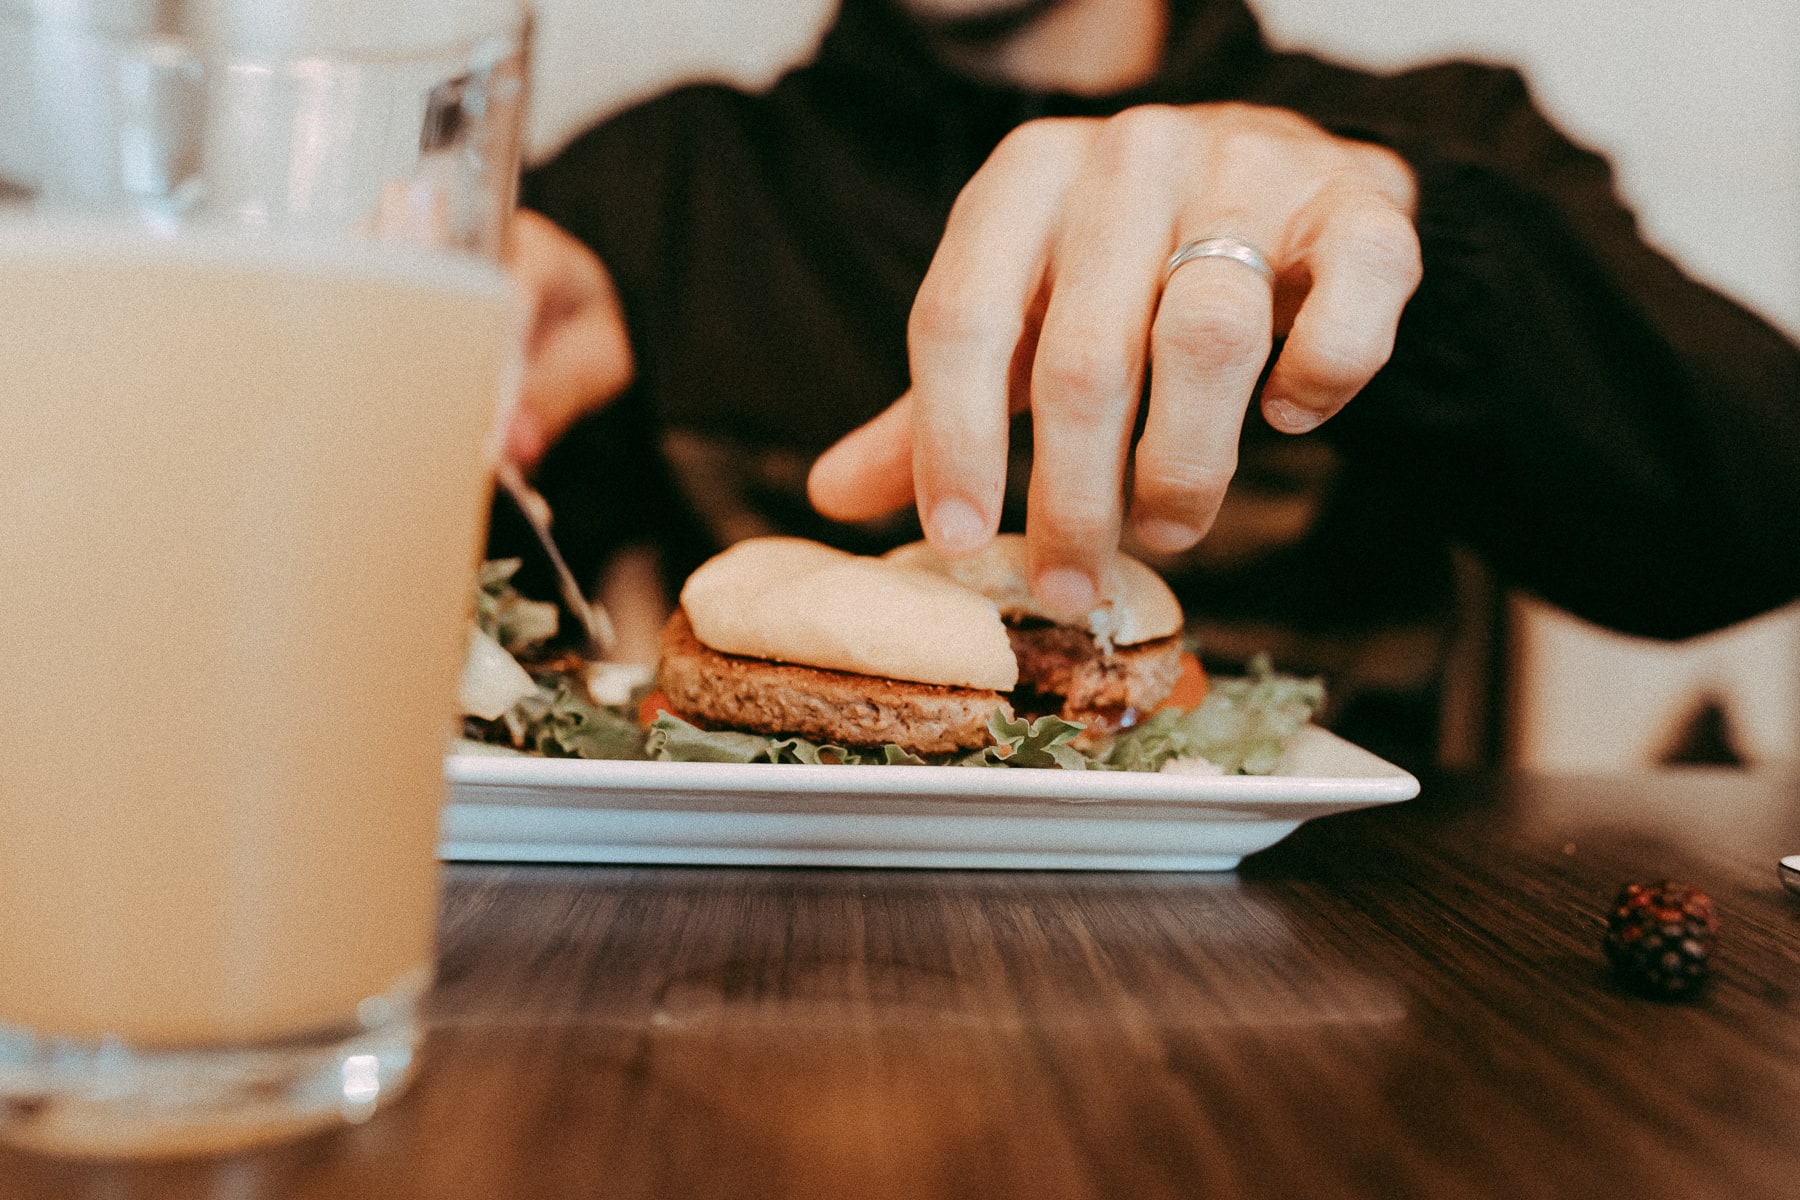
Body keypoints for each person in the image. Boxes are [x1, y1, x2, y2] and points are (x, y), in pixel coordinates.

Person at [490, 0, 1800, 768]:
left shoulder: (1443, 140)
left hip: (1346, 997)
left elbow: (1755, 518)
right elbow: (476, 681)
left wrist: (1407, 235)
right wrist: (446, 442)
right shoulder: (661, 186)